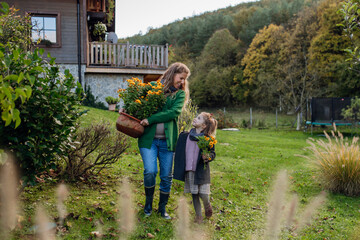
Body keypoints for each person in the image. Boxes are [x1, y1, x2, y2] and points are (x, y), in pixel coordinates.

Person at [138, 62, 190, 219]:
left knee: (166, 175)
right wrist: (125, 109)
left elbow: (173, 113)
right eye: (180, 78)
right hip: (149, 141)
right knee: (150, 171)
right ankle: (148, 205)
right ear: (173, 73)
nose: (182, 82)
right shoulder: (154, 87)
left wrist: (151, 118)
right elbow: (137, 101)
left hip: (168, 142)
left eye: (184, 80)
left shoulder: (180, 95)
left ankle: (162, 208)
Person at [173, 112, 218, 223]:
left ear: (203, 126)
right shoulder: (185, 136)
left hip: (201, 170)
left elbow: (213, 153)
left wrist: (208, 157)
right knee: (194, 194)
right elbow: (179, 151)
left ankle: (207, 205)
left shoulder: (207, 139)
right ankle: (198, 216)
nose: (195, 119)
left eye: (198, 118)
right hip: (190, 170)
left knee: (203, 194)